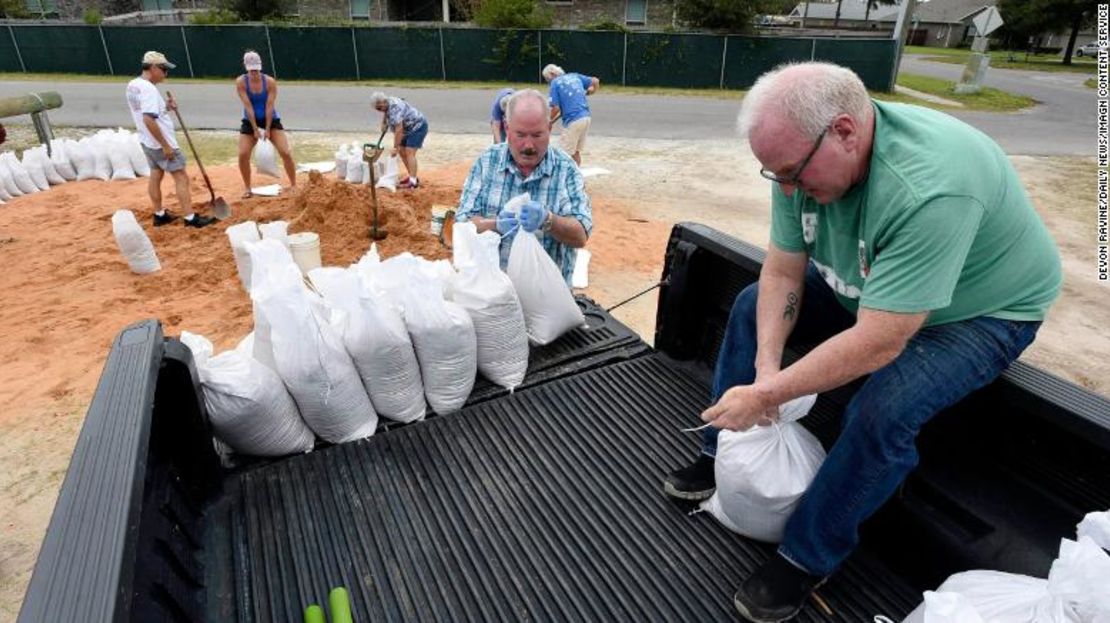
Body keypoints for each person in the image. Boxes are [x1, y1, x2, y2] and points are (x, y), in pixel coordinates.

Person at [662, 62, 1061, 622]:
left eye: (794, 175)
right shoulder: (795, 159)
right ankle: (720, 450)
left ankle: (806, 555)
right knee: (754, 305)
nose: (788, 189)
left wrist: (769, 396)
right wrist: (766, 374)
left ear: (845, 132)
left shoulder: (930, 186)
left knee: (884, 408)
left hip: (979, 313)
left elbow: (879, 343)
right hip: (876, 291)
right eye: (775, 175)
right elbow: (780, 275)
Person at [454, 89, 591, 285]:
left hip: (548, 299)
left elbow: (580, 235)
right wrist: (494, 225)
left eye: (537, 135)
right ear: (507, 129)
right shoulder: (487, 162)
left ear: (549, 128)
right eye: (520, 134)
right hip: (492, 295)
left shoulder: (566, 169)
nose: (529, 145)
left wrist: (549, 220)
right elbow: (462, 224)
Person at [125, 50, 214, 228]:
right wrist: (165, 146)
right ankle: (190, 218)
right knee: (181, 177)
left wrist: (165, 107)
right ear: (153, 67)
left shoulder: (133, 85)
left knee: (156, 175)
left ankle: (159, 214)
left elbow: (149, 112)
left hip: (147, 141)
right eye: (164, 69)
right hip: (160, 142)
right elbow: (148, 119)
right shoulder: (149, 89)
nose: (166, 74)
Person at [235, 50, 297, 197]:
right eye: (251, 70)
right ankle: (247, 188)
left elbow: (269, 106)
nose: (254, 73)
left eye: (256, 70)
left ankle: (294, 184)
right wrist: (255, 129)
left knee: (285, 152)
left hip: (271, 119)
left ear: (260, 67)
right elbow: (248, 106)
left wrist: (268, 128)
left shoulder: (269, 82)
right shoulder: (241, 82)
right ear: (246, 68)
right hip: (250, 120)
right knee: (243, 154)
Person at [542, 64, 599, 166]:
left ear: (552, 74)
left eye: (547, 79)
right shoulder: (574, 76)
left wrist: (547, 121)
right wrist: (592, 91)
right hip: (586, 117)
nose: (548, 82)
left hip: (573, 120)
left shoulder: (555, 83)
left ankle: (565, 179)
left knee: (563, 154)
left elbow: (556, 108)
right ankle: (577, 178)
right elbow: (595, 81)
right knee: (575, 152)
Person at [371, 91, 428, 190]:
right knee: (402, 152)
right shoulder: (388, 102)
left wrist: (395, 147)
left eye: (379, 108)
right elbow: (386, 112)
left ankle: (413, 183)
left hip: (417, 127)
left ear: (384, 102)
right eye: (377, 109)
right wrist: (384, 122)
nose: (379, 110)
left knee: (409, 152)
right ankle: (412, 177)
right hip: (407, 129)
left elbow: (399, 129)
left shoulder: (395, 108)